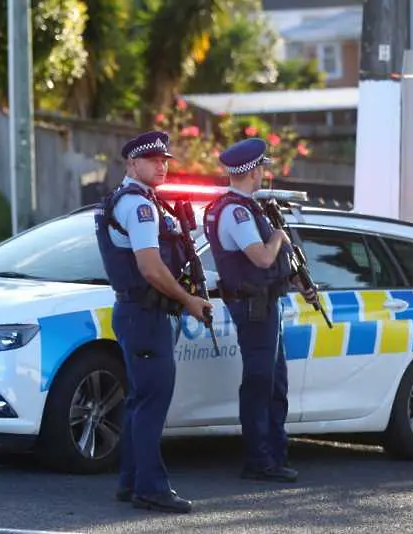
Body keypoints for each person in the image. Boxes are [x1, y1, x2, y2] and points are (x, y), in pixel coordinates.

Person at [94, 130, 213, 513]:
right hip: (146, 313)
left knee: (140, 401)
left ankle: (131, 483)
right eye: (153, 160)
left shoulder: (141, 201)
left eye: (165, 160)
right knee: (151, 402)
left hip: (140, 313)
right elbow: (149, 267)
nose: (162, 165)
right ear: (132, 164)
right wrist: (189, 300)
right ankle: (151, 488)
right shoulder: (139, 207)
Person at [203, 137, 318, 482]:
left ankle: (274, 453)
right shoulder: (237, 213)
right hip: (254, 308)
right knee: (259, 383)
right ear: (252, 171)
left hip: (266, 304)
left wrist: (300, 283)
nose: (264, 174)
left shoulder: (250, 208)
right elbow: (262, 257)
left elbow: (273, 267)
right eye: (262, 168)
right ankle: (259, 459)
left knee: (274, 382)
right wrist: (280, 237)